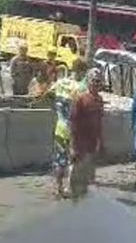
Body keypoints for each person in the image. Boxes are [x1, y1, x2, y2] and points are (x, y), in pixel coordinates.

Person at [42, 61, 88, 198]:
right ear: (82, 71)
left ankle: (58, 188)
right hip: (75, 131)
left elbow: (46, 95)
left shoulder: (60, 83)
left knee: (59, 159)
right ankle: (69, 188)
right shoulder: (81, 88)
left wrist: (57, 109)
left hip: (60, 128)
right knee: (74, 160)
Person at [70, 68, 104, 200]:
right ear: (88, 82)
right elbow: (73, 122)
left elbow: (100, 122)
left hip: (92, 142)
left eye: (98, 82)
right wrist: (72, 145)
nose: (96, 84)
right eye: (94, 81)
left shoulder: (99, 100)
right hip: (80, 142)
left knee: (90, 174)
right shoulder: (80, 99)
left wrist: (101, 142)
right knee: (77, 172)